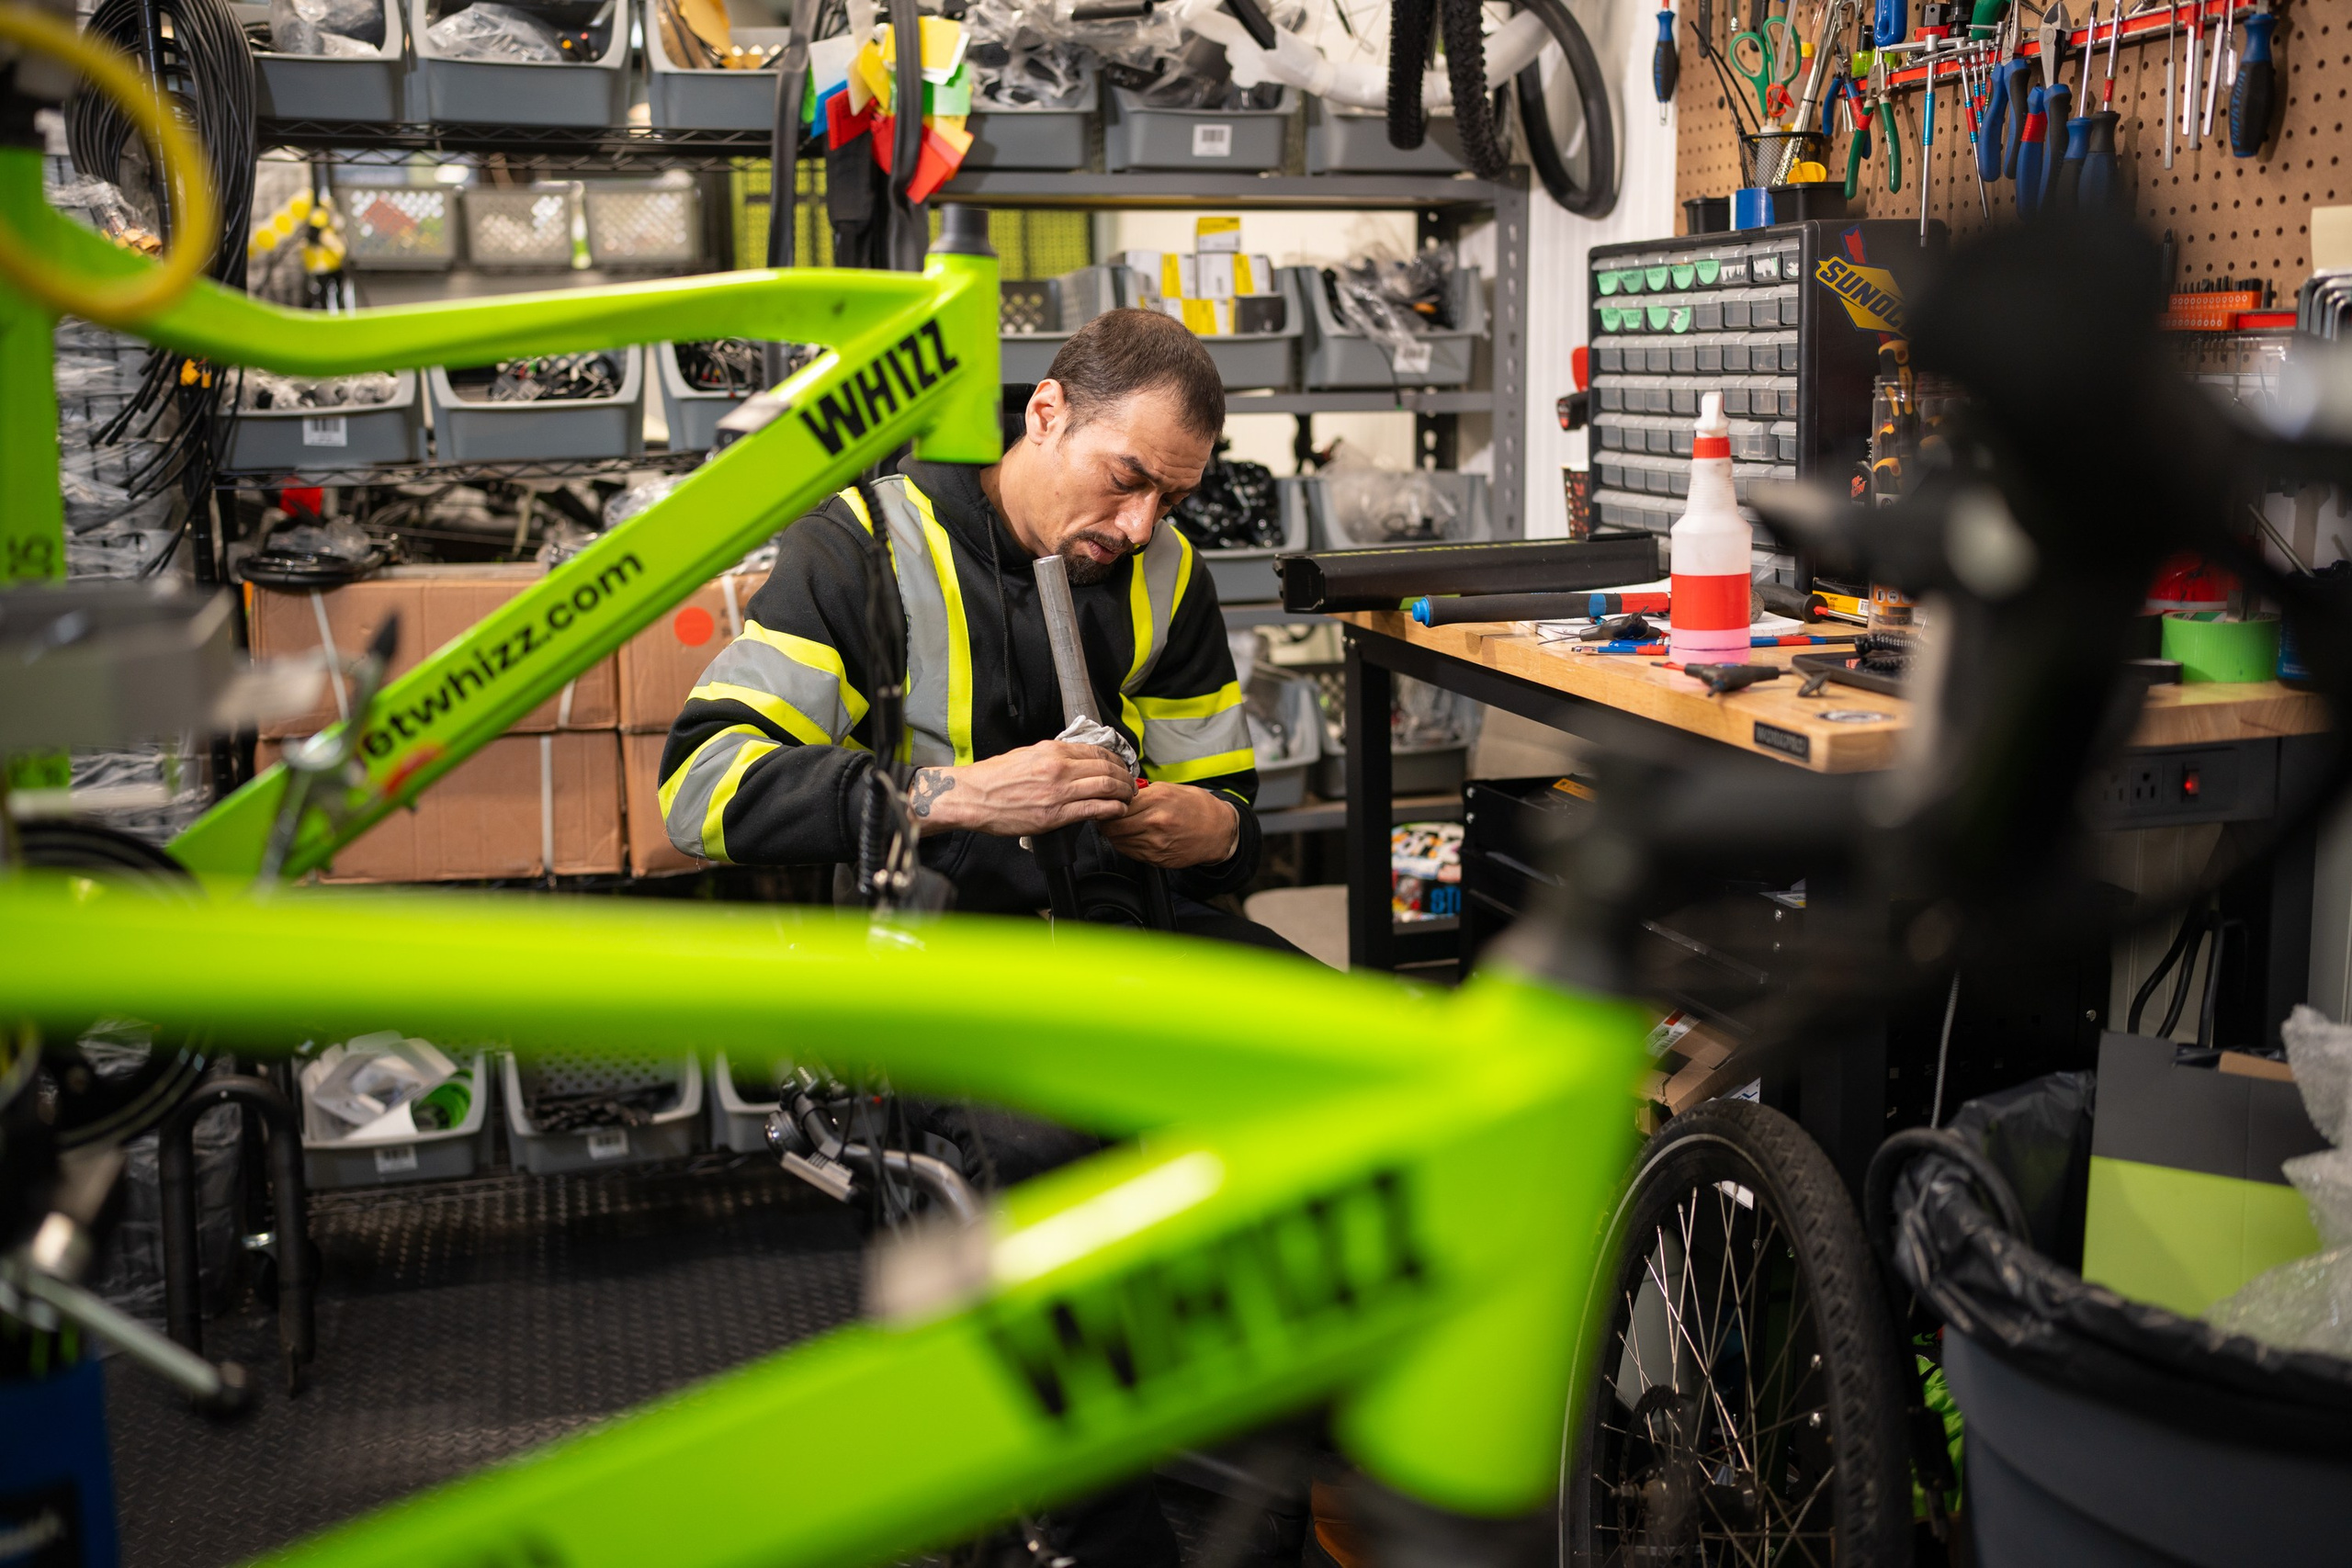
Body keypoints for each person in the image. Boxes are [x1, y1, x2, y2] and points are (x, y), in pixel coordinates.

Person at [659, 307, 1295, 952]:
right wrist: (960, 794)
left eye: (1171, 500)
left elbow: (1224, 797)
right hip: (937, 950)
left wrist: (1219, 830)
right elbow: (700, 786)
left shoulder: (1169, 568)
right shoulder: (865, 550)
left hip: (1128, 926)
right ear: (1047, 415)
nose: (1139, 526)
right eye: (1124, 479)